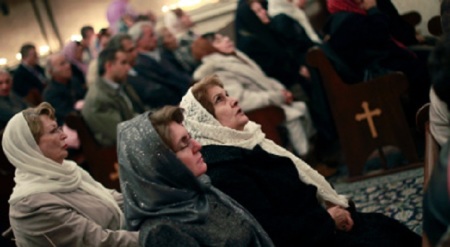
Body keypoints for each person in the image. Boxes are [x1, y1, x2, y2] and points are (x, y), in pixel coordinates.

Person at [179, 75, 421, 247]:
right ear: (205, 122)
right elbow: (273, 229)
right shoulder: (225, 170)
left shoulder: (250, 140)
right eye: (219, 100)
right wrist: (328, 220)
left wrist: (328, 210)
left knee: (387, 228)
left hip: (317, 223)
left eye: (228, 94)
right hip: (311, 237)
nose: (233, 100)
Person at [117, 106, 274, 247]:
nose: (197, 146)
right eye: (184, 144)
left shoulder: (199, 191)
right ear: (162, 165)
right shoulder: (161, 232)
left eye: (190, 137)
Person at [2, 102, 139, 246]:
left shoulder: (66, 171)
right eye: (53, 131)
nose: (64, 135)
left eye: (59, 128)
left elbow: (112, 199)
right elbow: (100, 242)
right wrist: (152, 237)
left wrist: (154, 203)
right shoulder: (32, 206)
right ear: (31, 147)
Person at [191, 33, 315, 157]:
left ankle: (312, 154)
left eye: (224, 37)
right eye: (219, 41)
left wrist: (281, 91)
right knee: (294, 115)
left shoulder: (235, 57)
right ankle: (304, 157)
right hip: (258, 111)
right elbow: (243, 100)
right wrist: (277, 97)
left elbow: (264, 79)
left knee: (301, 107)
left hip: (270, 101)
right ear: (208, 49)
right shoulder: (218, 70)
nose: (227, 39)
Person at [324, 0, 430, 115]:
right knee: (423, 66)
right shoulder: (345, 21)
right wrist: (373, 9)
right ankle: (425, 118)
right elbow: (380, 34)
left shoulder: (346, 16)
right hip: (375, 72)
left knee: (427, 56)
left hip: (379, 61)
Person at [82, 47, 145, 147]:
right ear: (109, 66)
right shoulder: (98, 99)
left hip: (135, 135)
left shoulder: (120, 84)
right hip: (121, 150)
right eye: (123, 63)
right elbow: (122, 133)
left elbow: (136, 112)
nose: (128, 68)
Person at [234, 0, 300, 89]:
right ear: (251, 17)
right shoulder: (249, 44)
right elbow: (275, 69)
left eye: (262, 8)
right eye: (258, 11)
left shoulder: (267, 28)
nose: (264, 11)